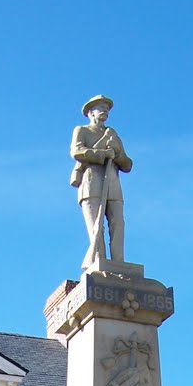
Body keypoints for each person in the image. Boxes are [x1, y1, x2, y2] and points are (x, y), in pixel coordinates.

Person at [70, 95, 132, 267]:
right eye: (101, 108)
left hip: (113, 183)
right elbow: (76, 151)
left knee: (118, 223)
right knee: (96, 227)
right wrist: (102, 154)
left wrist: (117, 153)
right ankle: (98, 261)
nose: (105, 111)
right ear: (91, 112)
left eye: (107, 108)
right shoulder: (82, 130)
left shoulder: (112, 134)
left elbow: (127, 165)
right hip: (91, 182)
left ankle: (118, 262)